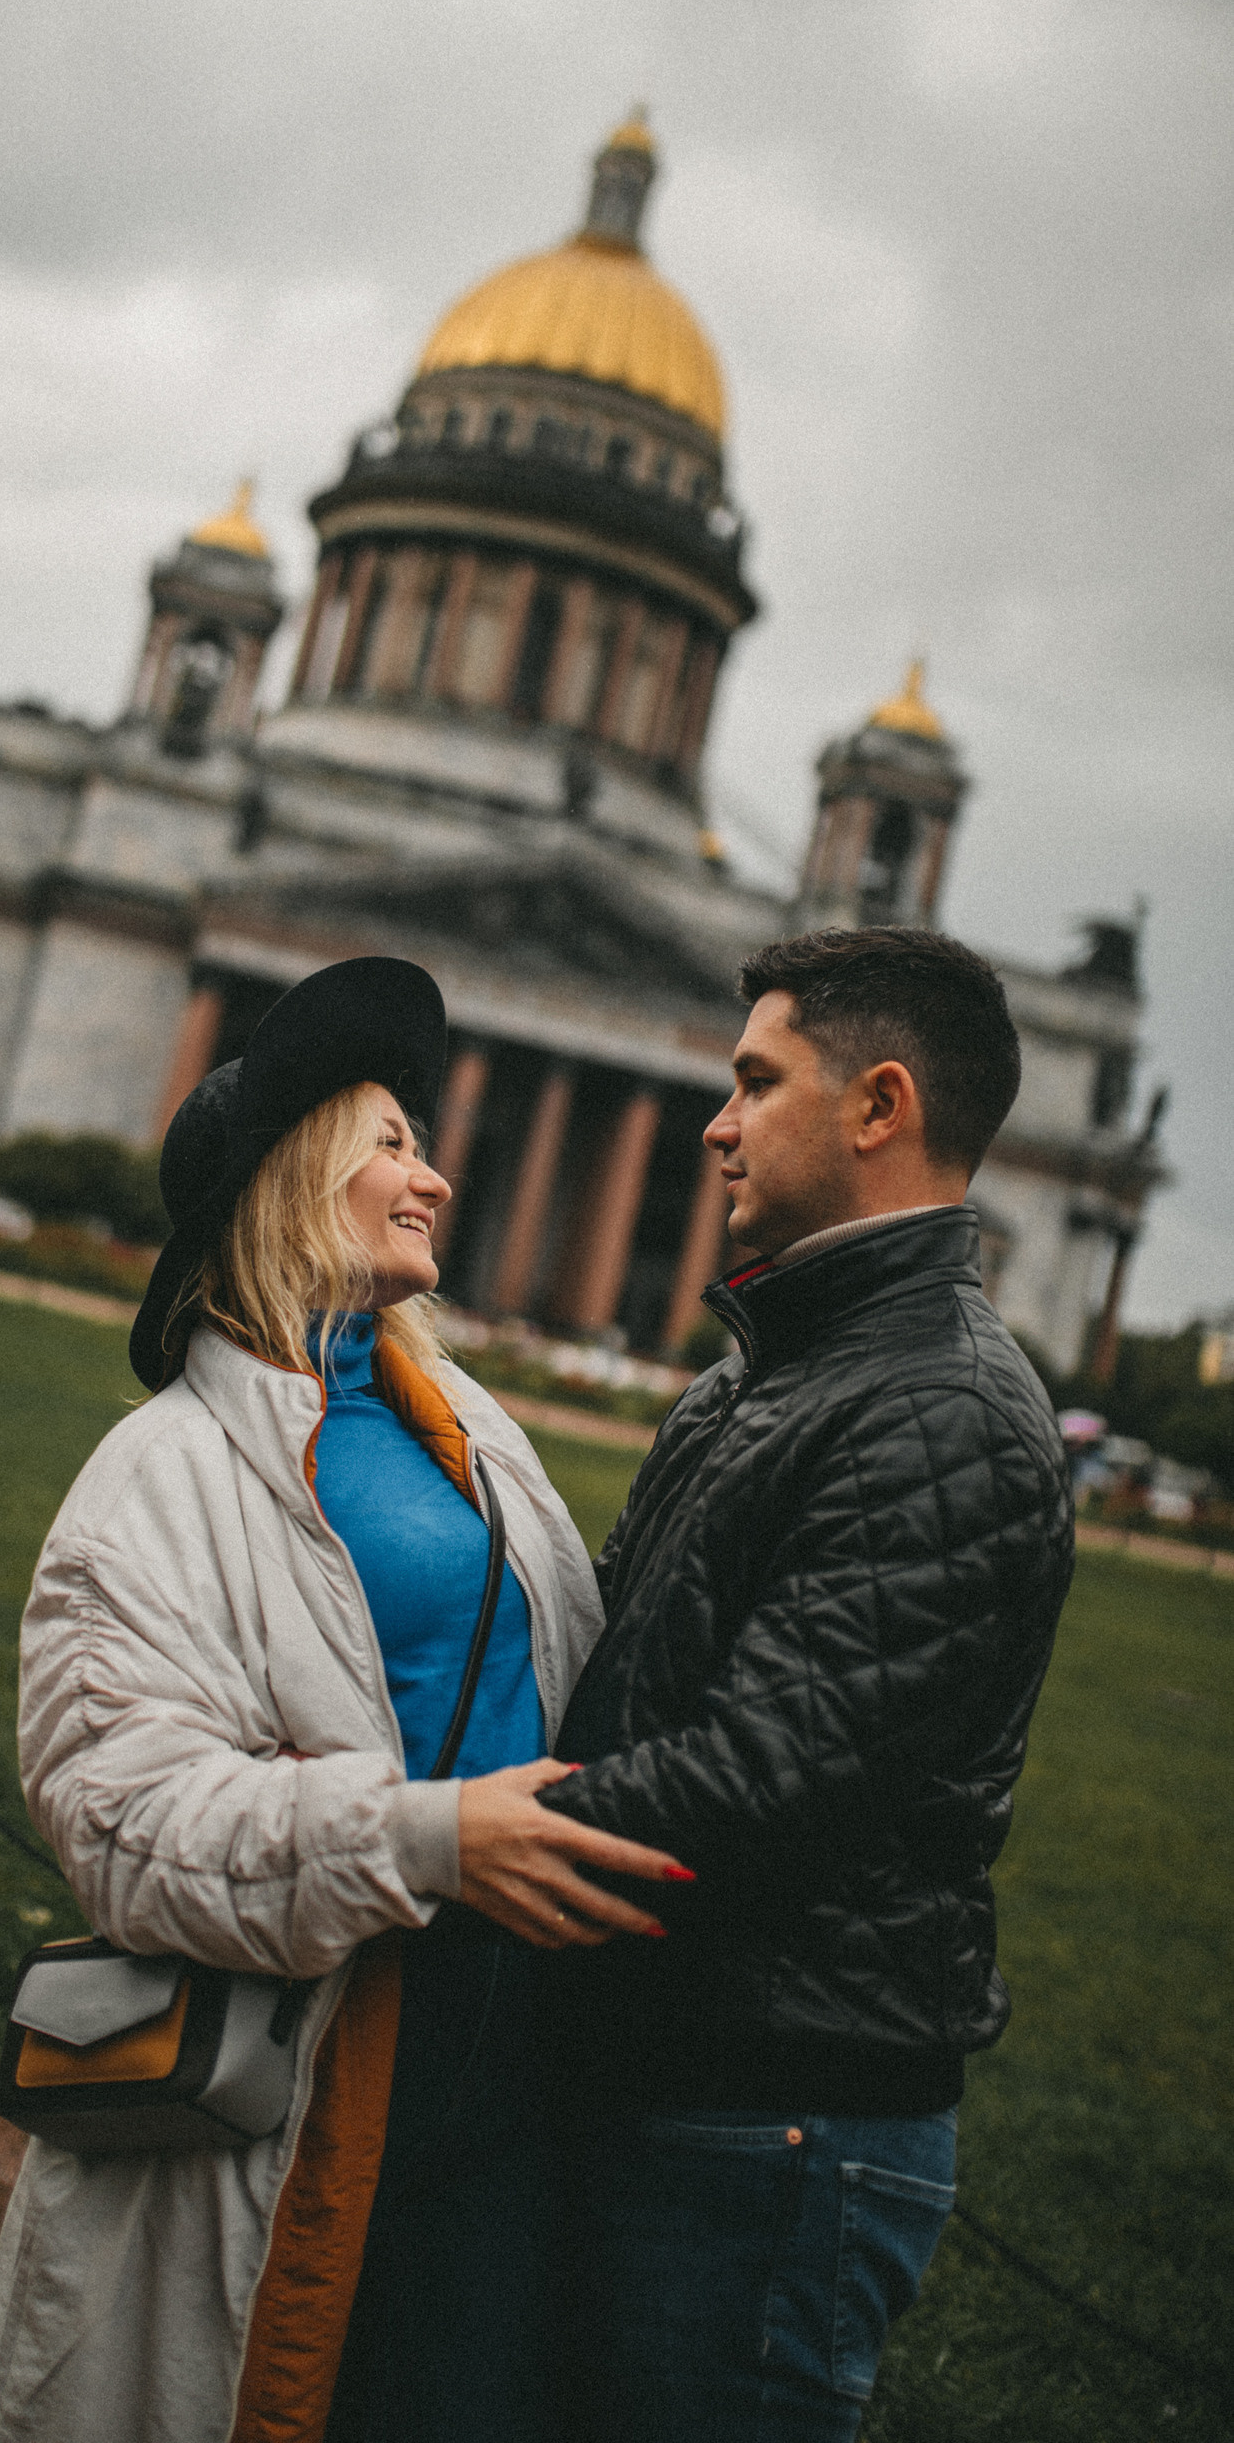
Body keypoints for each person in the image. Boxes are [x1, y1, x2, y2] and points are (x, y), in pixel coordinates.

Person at [0, 955, 680, 2443]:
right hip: (303, 2074)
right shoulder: (159, 1476)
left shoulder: (467, 1428)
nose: (433, 1177)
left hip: (504, 2063)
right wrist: (423, 1839)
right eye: (391, 1144)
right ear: (300, 1180)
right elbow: (124, 1819)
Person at [543, 925, 1075, 2441]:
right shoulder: (776, 1368)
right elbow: (628, 1674)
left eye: (754, 1080)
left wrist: (442, 1832)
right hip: (693, 2085)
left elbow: (760, 1780)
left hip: (772, 2127)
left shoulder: (943, 1413)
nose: (715, 1118)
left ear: (879, 1106)